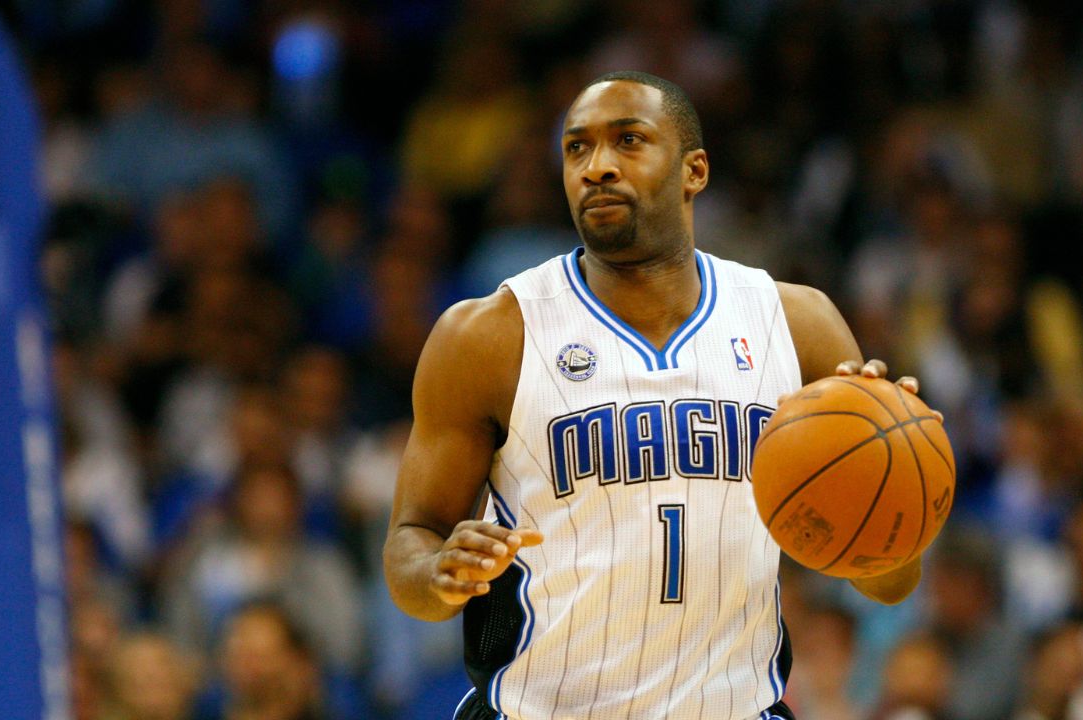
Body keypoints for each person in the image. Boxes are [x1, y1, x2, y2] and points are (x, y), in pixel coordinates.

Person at [383, 70, 929, 720]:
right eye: (577, 149)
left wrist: (896, 481)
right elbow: (411, 542)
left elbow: (888, 581)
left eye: (628, 141)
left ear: (694, 170)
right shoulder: (488, 335)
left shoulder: (797, 326)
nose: (598, 167)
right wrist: (438, 573)